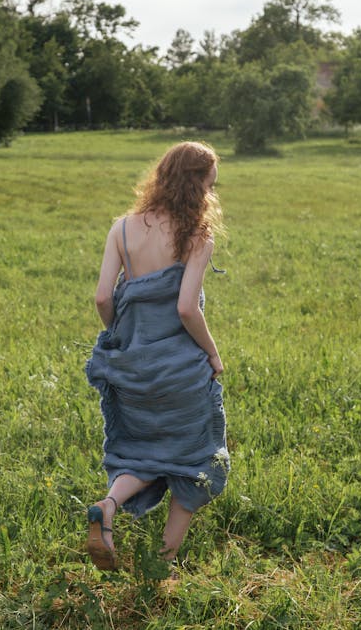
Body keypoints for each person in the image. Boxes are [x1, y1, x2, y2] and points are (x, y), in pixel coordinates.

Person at [85, 140, 229, 571]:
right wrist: (214, 354)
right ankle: (161, 566)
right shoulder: (196, 236)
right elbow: (187, 308)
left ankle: (109, 505)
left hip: (131, 366)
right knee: (194, 461)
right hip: (180, 371)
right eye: (209, 185)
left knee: (145, 453)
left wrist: (124, 339)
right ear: (195, 186)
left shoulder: (123, 228)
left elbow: (101, 297)